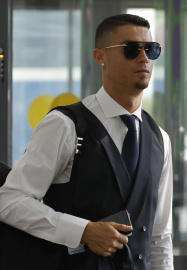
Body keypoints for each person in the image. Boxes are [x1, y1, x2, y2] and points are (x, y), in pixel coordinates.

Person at [0, 14, 173, 269]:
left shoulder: (160, 139)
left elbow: (160, 237)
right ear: (100, 57)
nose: (144, 57)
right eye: (131, 49)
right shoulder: (65, 124)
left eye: (151, 49)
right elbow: (10, 200)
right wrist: (82, 231)